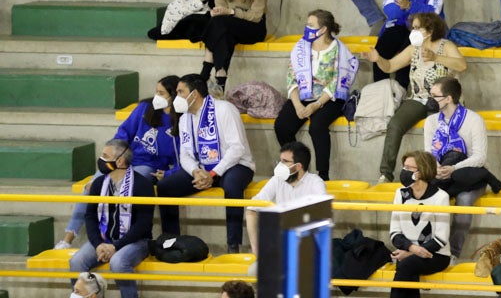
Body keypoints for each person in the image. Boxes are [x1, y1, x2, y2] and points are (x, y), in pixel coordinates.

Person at [57, 77, 181, 249]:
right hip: (123, 157)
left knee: (130, 183)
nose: (156, 97)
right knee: (92, 187)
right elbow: (123, 134)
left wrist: (168, 173)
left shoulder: (181, 122)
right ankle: (67, 239)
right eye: (156, 92)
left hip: (148, 166)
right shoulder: (145, 108)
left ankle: (118, 238)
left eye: (161, 93)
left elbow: (181, 157)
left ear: (173, 96)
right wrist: (117, 155)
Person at [157, 74, 255, 253]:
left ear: (194, 94)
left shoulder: (225, 109)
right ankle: (171, 241)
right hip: (202, 168)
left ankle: (233, 245)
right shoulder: (185, 117)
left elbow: (237, 149)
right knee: (165, 187)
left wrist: (213, 173)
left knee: (233, 185)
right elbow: (185, 154)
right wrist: (195, 171)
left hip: (236, 165)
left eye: (180, 92)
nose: (176, 97)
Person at [366, 13, 467, 183]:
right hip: (418, 98)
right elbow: (390, 66)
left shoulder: (446, 45)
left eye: (417, 27)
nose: (413, 31)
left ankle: (436, 173)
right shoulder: (414, 49)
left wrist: (436, 57)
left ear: (430, 29)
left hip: (442, 101)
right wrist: (378, 59)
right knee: (395, 125)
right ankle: (386, 173)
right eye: (413, 28)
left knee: (437, 130)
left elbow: (462, 65)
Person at [423, 76, 501, 260]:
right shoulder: (432, 122)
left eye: (435, 95)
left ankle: (453, 254)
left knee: (464, 201)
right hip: (442, 174)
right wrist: (436, 167)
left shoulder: (474, 120)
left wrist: (453, 168)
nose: (430, 99)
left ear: (449, 98)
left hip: (469, 176)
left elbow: (480, 157)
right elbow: (429, 152)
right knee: (428, 197)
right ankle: (428, 248)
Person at [275, 11, 359, 180]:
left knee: (317, 127)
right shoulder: (300, 47)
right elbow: (292, 77)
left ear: (323, 29)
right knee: (282, 126)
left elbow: (336, 83)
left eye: (311, 25)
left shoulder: (339, 51)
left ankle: (323, 174)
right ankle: (296, 167)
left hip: (329, 98)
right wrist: (298, 105)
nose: (307, 28)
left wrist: (316, 105)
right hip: (302, 96)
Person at [68, 140, 154, 298]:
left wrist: (115, 246)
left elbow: (143, 224)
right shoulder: (98, 184)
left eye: (105, 156)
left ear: (120, 161)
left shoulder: (143, 185)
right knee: (77, 261)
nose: (101, 159)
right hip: (103, 240)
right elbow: (90, 216)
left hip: (136, 241)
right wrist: (98, 244)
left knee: (118, 262)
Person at [245, 142, 328, 258]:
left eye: (284, 161)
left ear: (298, 166)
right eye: (280, 161)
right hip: (279, 245)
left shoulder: (316, 182)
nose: (280, 165)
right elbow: (251, 209)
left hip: (306, 247)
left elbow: (323, 213)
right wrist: (256, 247)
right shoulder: (277, 180)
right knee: (253, 272)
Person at [390, 151, 452, 298]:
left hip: (436, 255)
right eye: (404, 167)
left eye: (410, 168)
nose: (405, 172)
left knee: (405, 265)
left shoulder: (441, 197)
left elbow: (441, 239)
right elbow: (394, 233)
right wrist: (411, 249)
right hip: (408, 251)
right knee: (406, 266)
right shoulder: (400, 193)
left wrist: (412, 252)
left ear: (422, 171)